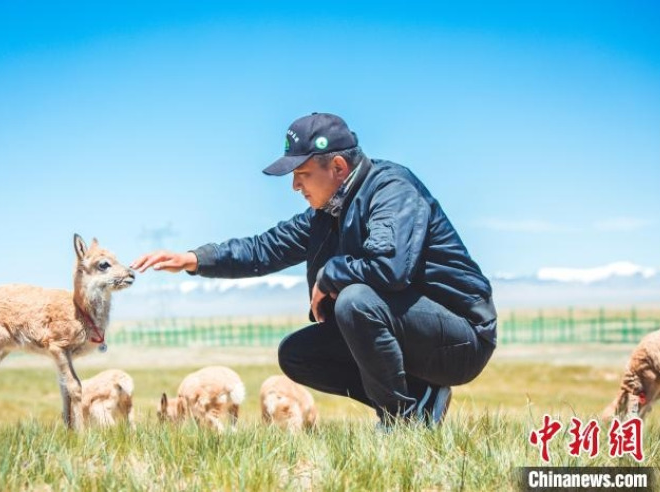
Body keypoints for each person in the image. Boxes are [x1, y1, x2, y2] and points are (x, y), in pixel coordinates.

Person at [131, 112, 497, 428]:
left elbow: (390, 267)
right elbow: (264, 248)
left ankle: (401, 423)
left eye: (302, 173)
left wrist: (330, 274)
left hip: (462, 338)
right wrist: (194, 259)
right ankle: (419, 399)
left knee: (355, 300)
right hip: (412, 331)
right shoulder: (327, 214)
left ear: (337, 167)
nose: (295, 185)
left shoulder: (391, 190)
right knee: (297, 353)